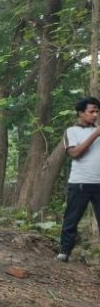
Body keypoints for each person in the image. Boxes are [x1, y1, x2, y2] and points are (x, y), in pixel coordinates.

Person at [56, 97, 100, 262]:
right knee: (72, 219)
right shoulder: (72, 131)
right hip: (80, 183)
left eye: (97, 111)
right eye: (91, 111)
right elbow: (74, 153)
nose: (95, 114)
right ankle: (65, 252)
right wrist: (95, 135)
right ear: (81, 113)